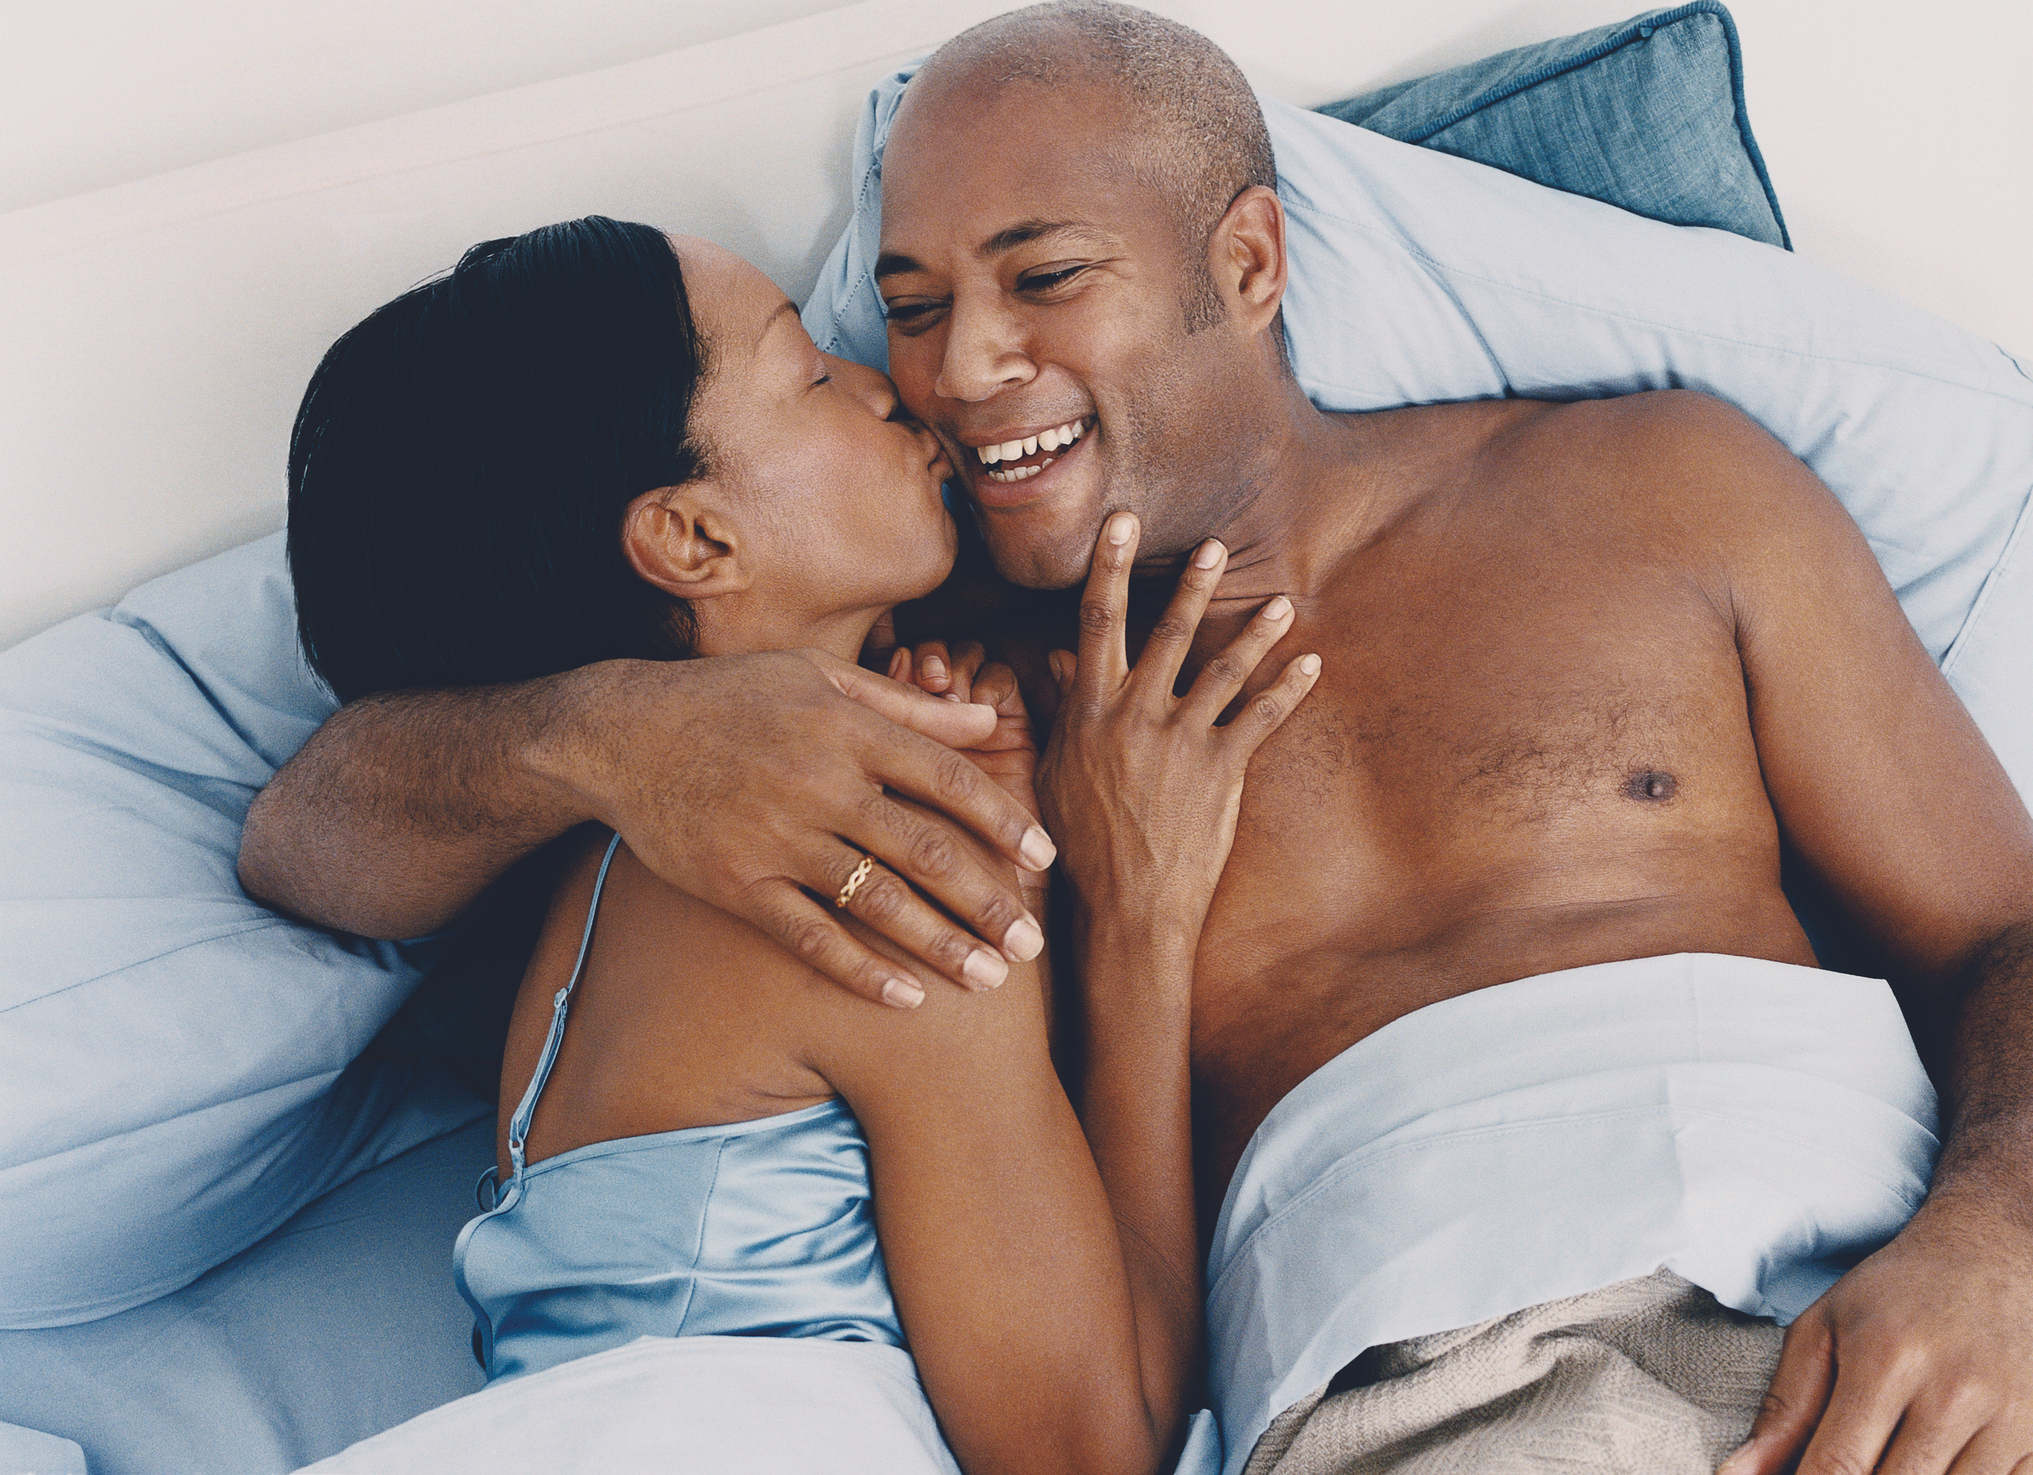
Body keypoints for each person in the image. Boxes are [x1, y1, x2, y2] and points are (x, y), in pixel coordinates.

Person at [243, 6, 2033, 1474]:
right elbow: (318, 839)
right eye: (911, 306)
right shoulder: (924, 729)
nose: (953, 371)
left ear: (1244, 260)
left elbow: (2002, 933)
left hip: (1891, 1306)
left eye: (1043, 277)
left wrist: (1996, 1241)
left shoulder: (1661, 488)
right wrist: (621, 729)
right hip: (1437, 1397)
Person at [282, 213, 1324, 1475]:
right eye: (811, 374)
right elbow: (1098, 1450)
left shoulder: (594, 868)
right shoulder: (848, 881)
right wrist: (1137, 926)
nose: (892, 389)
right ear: (691, 540)